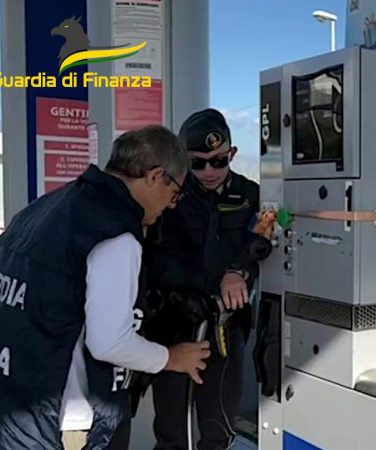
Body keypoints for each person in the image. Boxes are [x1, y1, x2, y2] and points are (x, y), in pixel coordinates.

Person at [0, 125, 212, 450]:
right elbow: (109, 343)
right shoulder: (114, 233)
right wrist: (171, 358)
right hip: (58, 425)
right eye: (175, 194)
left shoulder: (43, 209)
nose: (171, 206)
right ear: (156, 176)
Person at [141, 108, 273, 450]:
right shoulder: (168, 194)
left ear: (232, 154)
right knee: (172, 432)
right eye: (198, 163)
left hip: (225, 327)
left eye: (218, 161)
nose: (210, 171)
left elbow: (264, 240)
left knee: (218, 428)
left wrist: (238, 271)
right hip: (174, 326)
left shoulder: (250, 196)